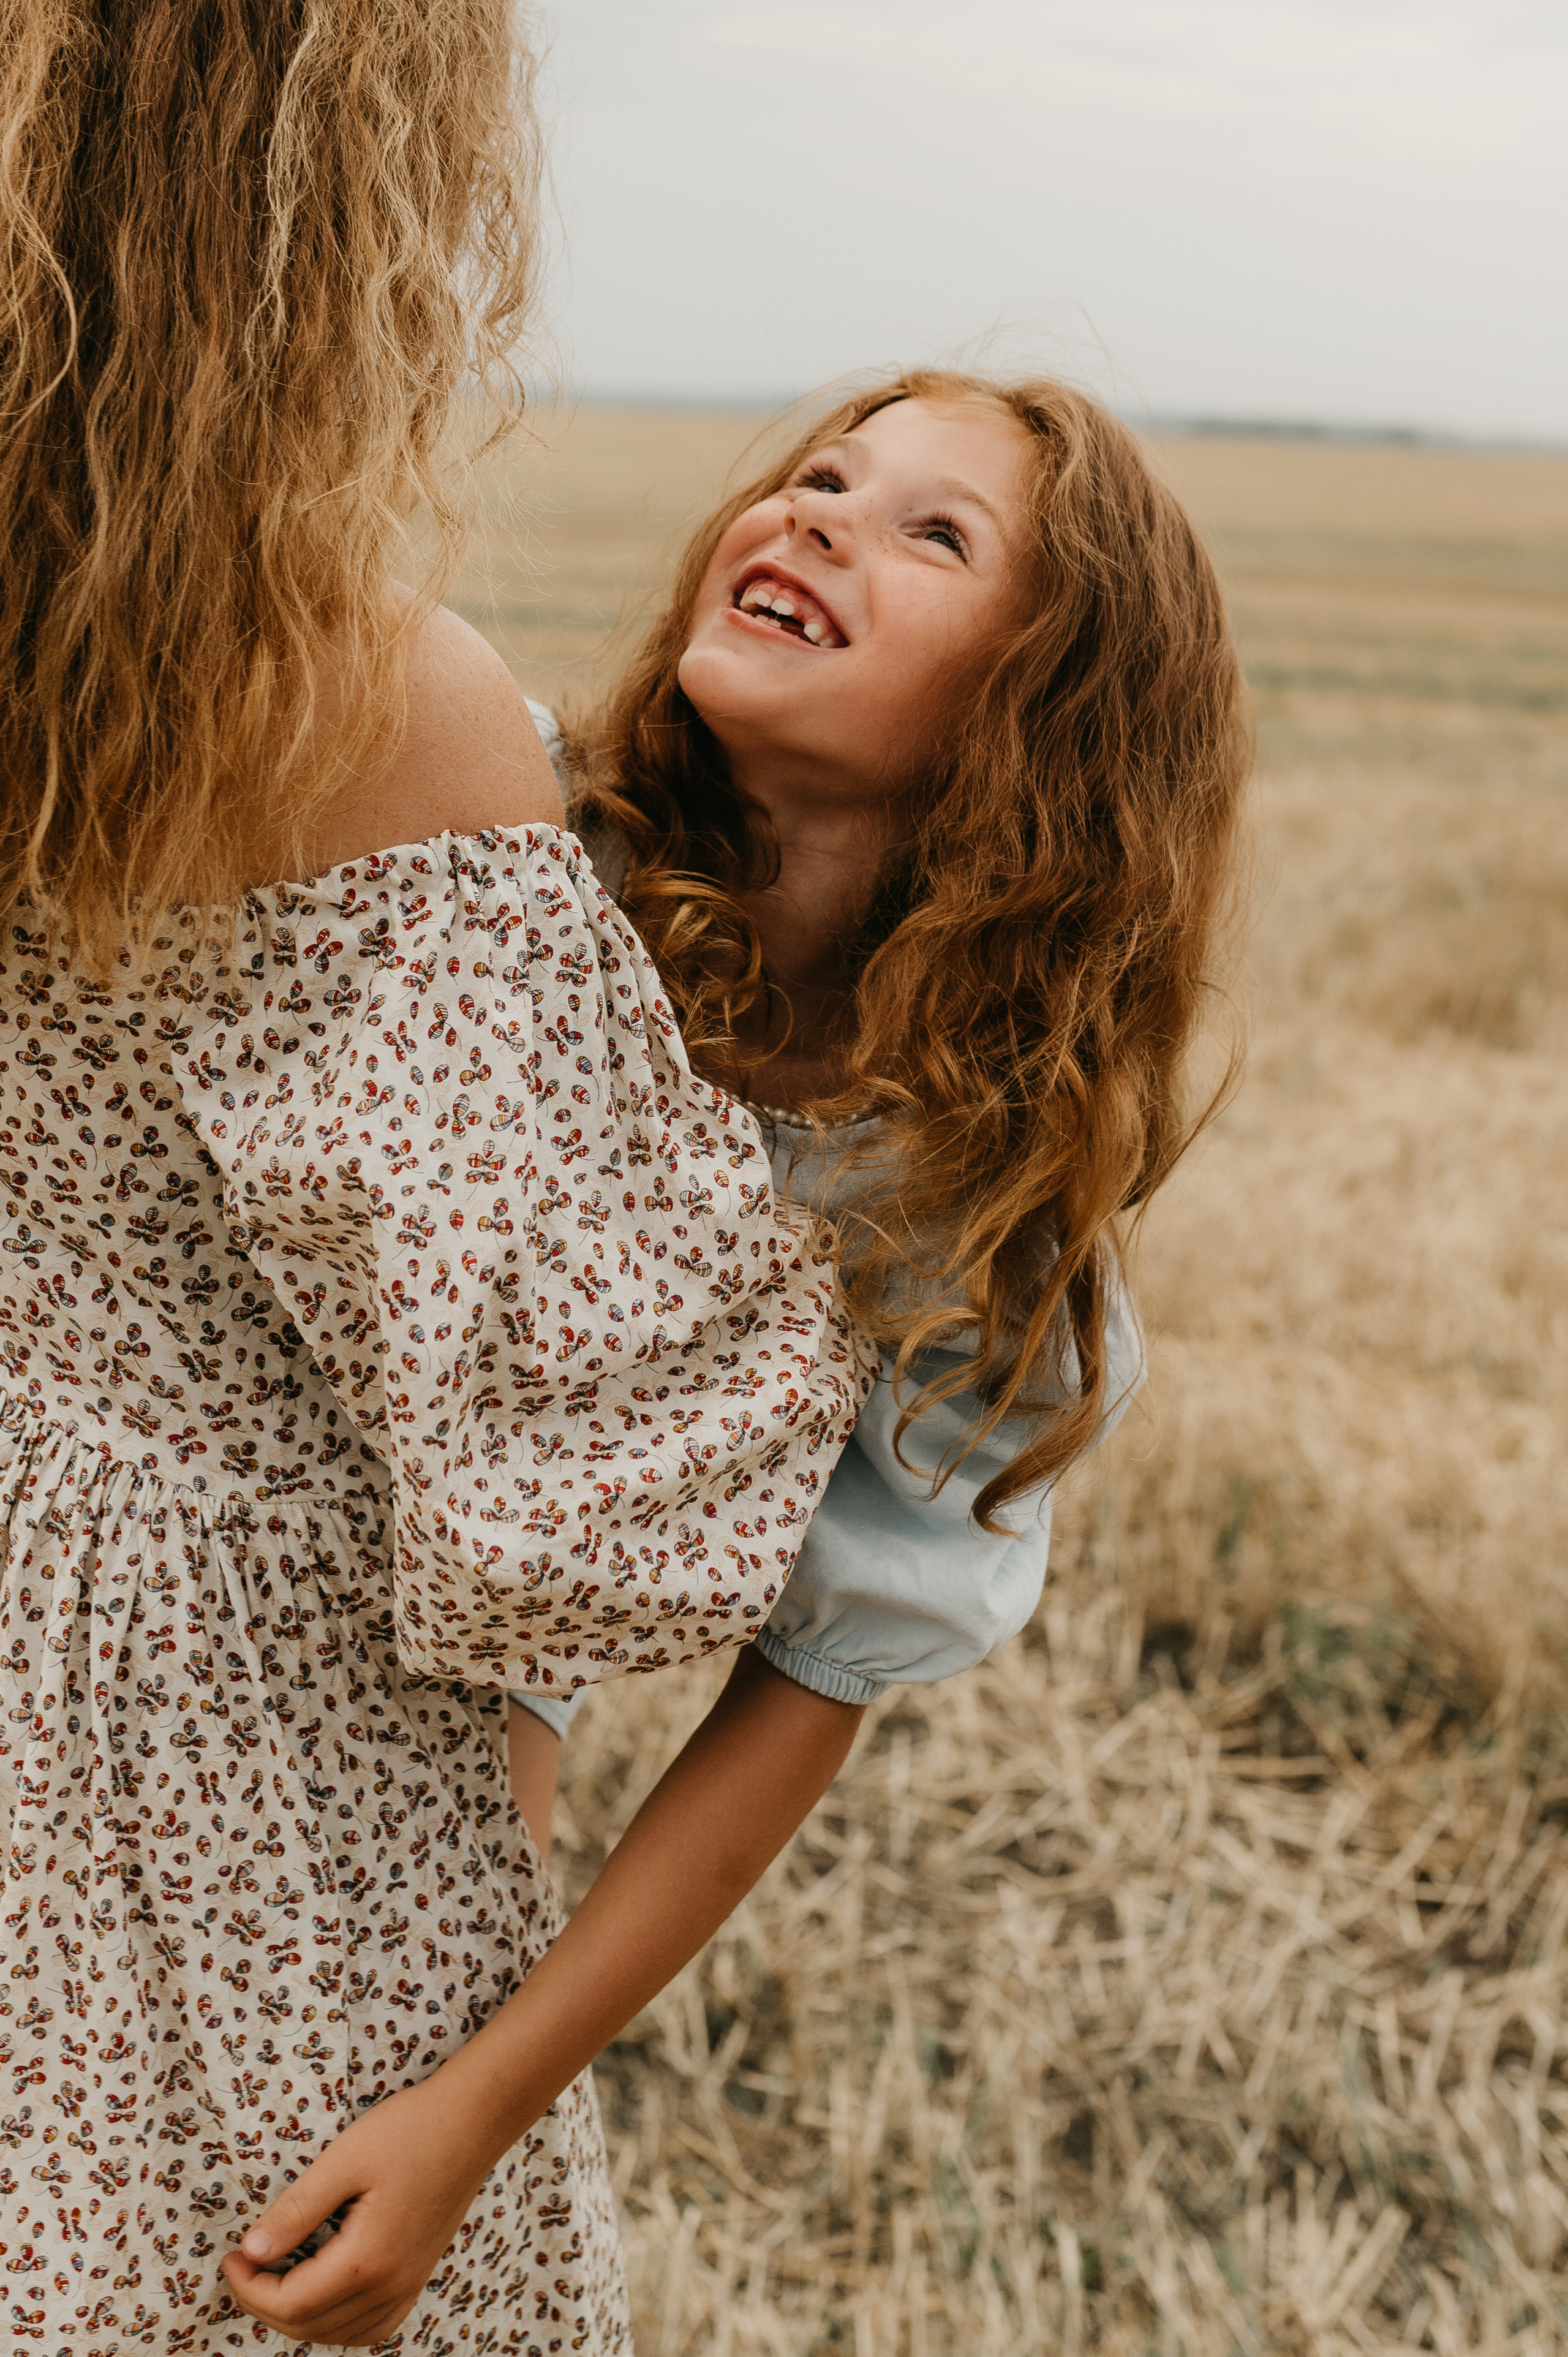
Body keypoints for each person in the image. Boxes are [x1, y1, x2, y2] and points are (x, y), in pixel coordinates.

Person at [0, 10, 878, 2353]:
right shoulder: (368, 697)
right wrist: (913, 1221)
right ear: (339, 215)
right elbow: (587, 1512)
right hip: (233, 1795)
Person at [507, 371, 1250, 1842]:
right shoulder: (502, 829)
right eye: (824, 479)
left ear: (1040, 717)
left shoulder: (963, 1207)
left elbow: (810, 1677)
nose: (818, 518)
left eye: (936, 533)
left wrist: (521, 2008)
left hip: (427, 1753)